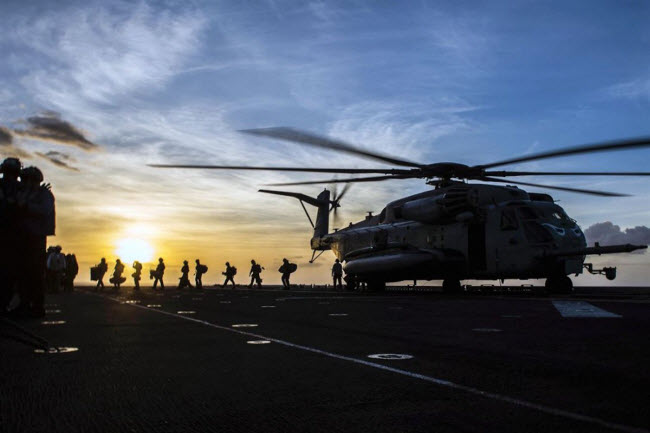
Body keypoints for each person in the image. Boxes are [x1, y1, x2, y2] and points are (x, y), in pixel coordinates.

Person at [11, 165, 54, 317]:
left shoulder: (44, 194)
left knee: (34, 273)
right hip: (23, 237)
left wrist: (26, 206)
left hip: (36, 237)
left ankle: (37, 306)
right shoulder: (26, 193)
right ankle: (24, 304)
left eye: (25, 179)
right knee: (23, 272)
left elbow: (44, 210)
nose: (22, 182)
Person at [0, 158, 22, 312]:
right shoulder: (19, 189)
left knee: (10, 273)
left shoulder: (21, 189)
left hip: (14, 235)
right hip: (10, 234)